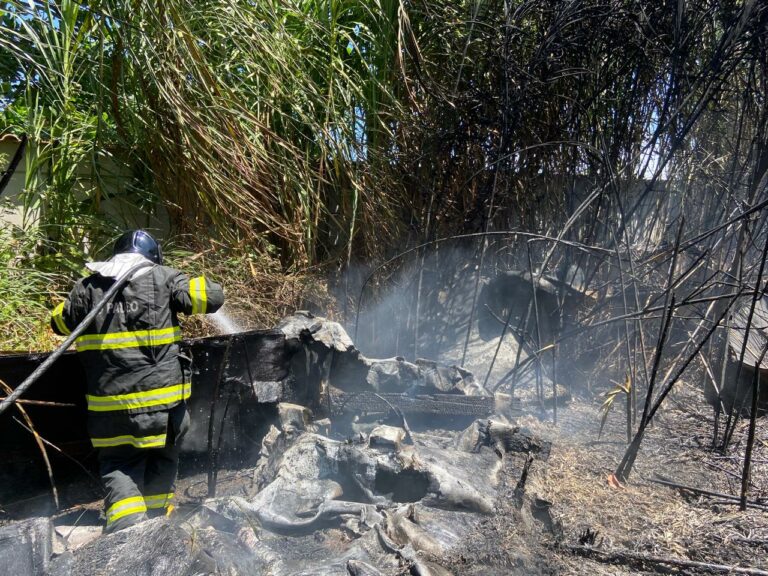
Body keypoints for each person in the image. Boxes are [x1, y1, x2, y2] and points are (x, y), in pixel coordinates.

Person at [50, 230, 224, 532]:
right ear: (153, 257)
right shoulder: (165, 278)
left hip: (109, 411)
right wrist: (189, 280)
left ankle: (128, 527)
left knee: (119, 464)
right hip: (163, 409)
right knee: (163, 455)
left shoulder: (87, 287)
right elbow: (211, 296)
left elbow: (59, 322)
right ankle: (154, 522)